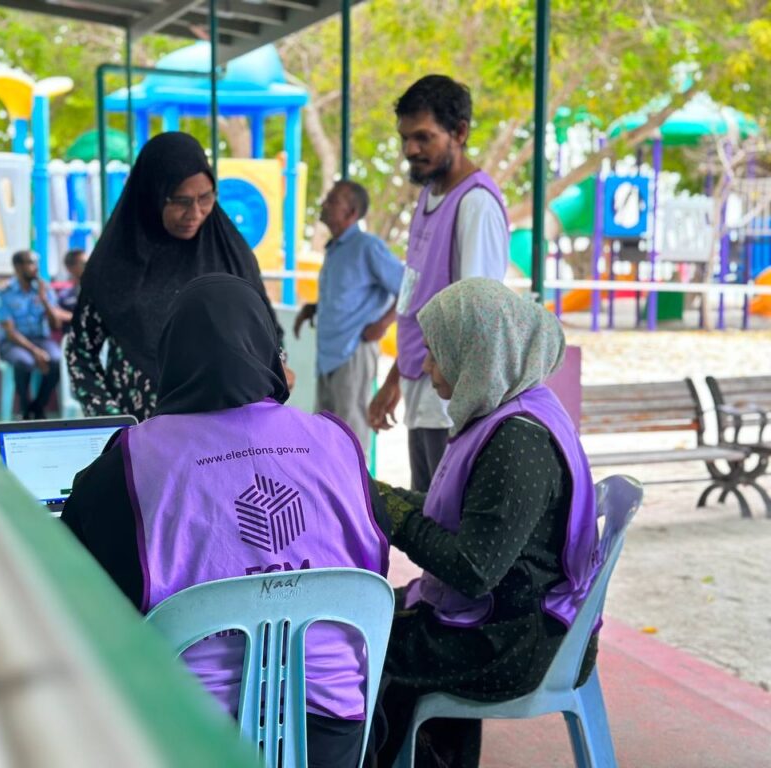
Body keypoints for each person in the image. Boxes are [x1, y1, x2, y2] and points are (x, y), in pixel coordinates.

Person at [63, 274, 390, 768]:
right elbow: (373, 563)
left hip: (188, 739)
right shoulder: (337, 443)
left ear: (171, 357)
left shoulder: (130, 461)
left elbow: (72, 580)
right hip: (332, 732)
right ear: (267, 350)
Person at [369, 279, 599, 768]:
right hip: (512, 615)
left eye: (436, 354)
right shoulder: (515, 408)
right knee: (368, 614)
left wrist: (392, 513)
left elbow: (473, 570)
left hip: (516, 642)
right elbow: (463, 517)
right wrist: (381, 496)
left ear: (477, 355)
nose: (426, 368)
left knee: (357, 644)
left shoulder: (518, 441)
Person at [66, 132, 288, 423]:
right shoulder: (115, 264)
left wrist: (279, 368)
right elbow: (80, 353)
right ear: (152, 196)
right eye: (180, 201)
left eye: (205, 197)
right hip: (142, 432)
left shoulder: (230, 253)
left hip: (227, 432)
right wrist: (115, 424)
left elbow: (268, 332)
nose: (194, 213)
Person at [368, 75, 510, 492]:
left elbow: (478, 319)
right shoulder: (429, 194)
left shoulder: (476, 204)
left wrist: (463, 412)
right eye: (405, 138)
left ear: (459, 132)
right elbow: (417, 296)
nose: (411, 149)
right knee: (426, 510)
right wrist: (395, 378)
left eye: (424, 137)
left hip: (449, 403)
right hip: (421, 391)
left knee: (443, 517)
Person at [294, 180, 403, 457]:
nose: (325, 205)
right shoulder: (335, 249)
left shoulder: (367, 246)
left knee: (351, 437)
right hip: (328, 355)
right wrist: (314, 308)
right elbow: (346, 296)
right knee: (324, 437)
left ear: (351, 213)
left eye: (333, 201)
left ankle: (356, 487)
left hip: (353, 350)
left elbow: (408, 288)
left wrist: (383, 323)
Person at [0, 249, 64, 420]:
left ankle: (38, 407)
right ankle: (25, 409)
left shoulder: (43, 289)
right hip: (13, 343)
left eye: (36, 263)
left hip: (41, 339)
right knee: (24, 362)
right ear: (18, 267)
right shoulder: (4, 292)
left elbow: (56, 325)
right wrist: (35, 351)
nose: (36, 268)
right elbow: (10, 332)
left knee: (57, 360)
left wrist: (44, 299)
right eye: (31, 263)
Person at [56, 248, 87, 330]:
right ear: (70, 267)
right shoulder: (63, 295)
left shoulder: (97, 290)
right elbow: (57, 316)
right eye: (84, 263)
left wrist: (70, 316)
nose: (88, 266)